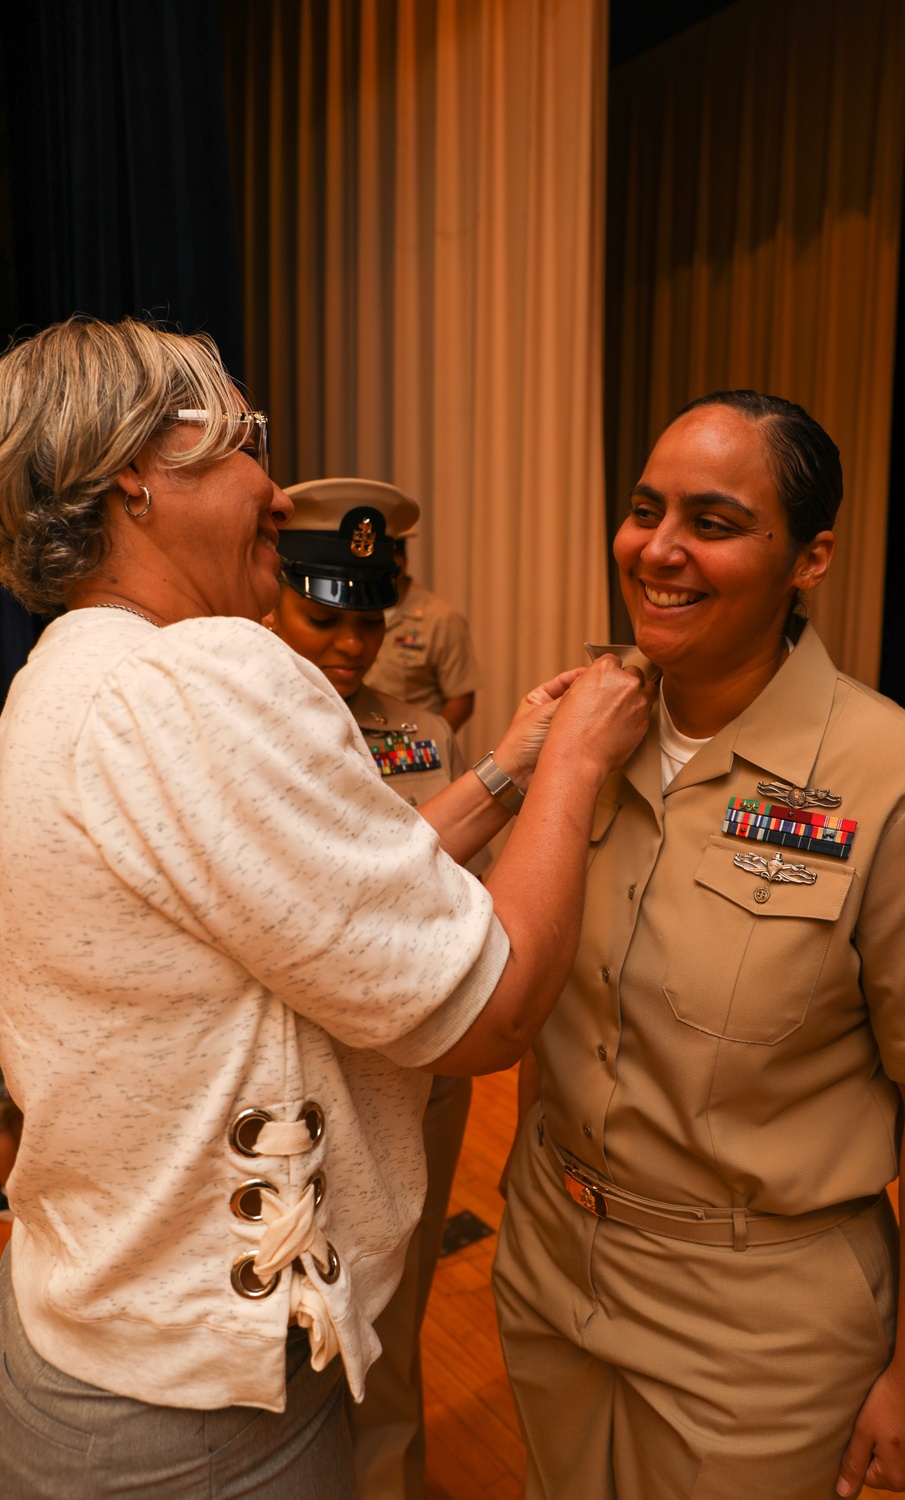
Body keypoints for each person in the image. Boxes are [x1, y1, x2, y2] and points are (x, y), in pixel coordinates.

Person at [0, 316, 653, 1499]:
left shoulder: (69, 674)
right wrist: (576, 768)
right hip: (202, 1419)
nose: (278, 485)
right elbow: (495, 1010)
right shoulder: (202, 676)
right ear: (137, 478)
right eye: (249, 441)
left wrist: (505, 765)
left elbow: (311, 896)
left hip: (92, 1343)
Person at [492, 390, 905, 1500]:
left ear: (808, 559)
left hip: (757, 1323)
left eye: (713, 522)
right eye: (643, 510)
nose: (657, 550)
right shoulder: (584, 735)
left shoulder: (895, 783)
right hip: (549, 1256)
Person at [265, 473, 483, 1499]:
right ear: (269, 594)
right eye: (323, 617)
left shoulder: (421, 740)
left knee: (392, 1320)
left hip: (413, 1074)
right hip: (283, 1092)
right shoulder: (235, 726)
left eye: (370, 620)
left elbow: (447, 905)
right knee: (281, 1338)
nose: (350, 645)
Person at [363, 531, 481, 731]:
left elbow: (461, 699)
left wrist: (429, 742)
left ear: (399, 564)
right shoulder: (353, 613)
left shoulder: (440, 619)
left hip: (410, 746)